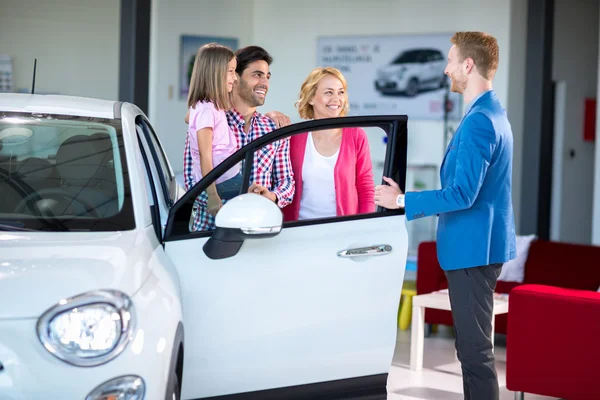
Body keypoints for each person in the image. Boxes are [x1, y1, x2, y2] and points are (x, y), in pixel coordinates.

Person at [375, 32, 516, 400]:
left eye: (451, 60)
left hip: (473, 250)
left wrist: (401, 200)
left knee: (474, 354)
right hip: (480, 247)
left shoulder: (480, 122)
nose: (446, 68)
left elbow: (462, 194)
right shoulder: (491, 113)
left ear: (468, 66)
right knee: (472, 351)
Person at [184, 45, 295, 231]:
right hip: (211, 234)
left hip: (260, 235)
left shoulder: (273, 129)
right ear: (234, 77)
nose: (265, 83)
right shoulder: (210, 121)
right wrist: (238, 202)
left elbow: (286, 182)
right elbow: (191, 184)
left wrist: (272, 196)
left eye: (267, 77)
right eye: (257, 75)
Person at [282, 67, 374, 222]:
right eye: (328, 92)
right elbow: (282, 183)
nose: (336, 99)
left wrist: (365, 226)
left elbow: (366, 188)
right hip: (299, 230)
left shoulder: (356, 135)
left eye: (341, 92)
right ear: (311, 98)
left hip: (342, 231)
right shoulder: (294, 137)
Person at [185, 43, 241, 216]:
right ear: (215, 74)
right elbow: (205, 155)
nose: (235, 78)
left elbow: (187, 118)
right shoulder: (206, 111)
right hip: (223, 182)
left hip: (227, 177)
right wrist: (212, 195)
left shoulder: (206, 107)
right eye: (230, 71)